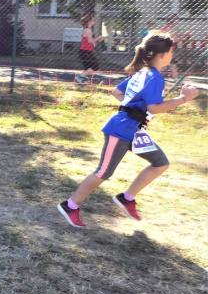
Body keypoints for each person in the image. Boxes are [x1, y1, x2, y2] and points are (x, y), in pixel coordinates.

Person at [57, 32, 200, 228]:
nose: (172, 55)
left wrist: (134, 109)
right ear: (162, 54)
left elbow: (117, 92)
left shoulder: (142, 73)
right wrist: (183, 99)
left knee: (160, 163)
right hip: (121, 130)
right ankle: (70, 206)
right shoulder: (154, 77)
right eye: (171, 52)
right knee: (103, 172)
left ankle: (127, 198)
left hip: (134, 130)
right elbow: (154, 108)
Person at [75, 12, 105, 84]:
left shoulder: (88, 30)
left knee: (91, 68)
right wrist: (98, 38)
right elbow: (90, 41)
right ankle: (80, 77)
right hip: (85, 52)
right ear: (89, 22)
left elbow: (91, 42)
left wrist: (97, 41)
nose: (94, 21)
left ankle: (81, 78)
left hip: (87, 51)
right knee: (93, 67)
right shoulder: (88, 30)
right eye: (93, 20)